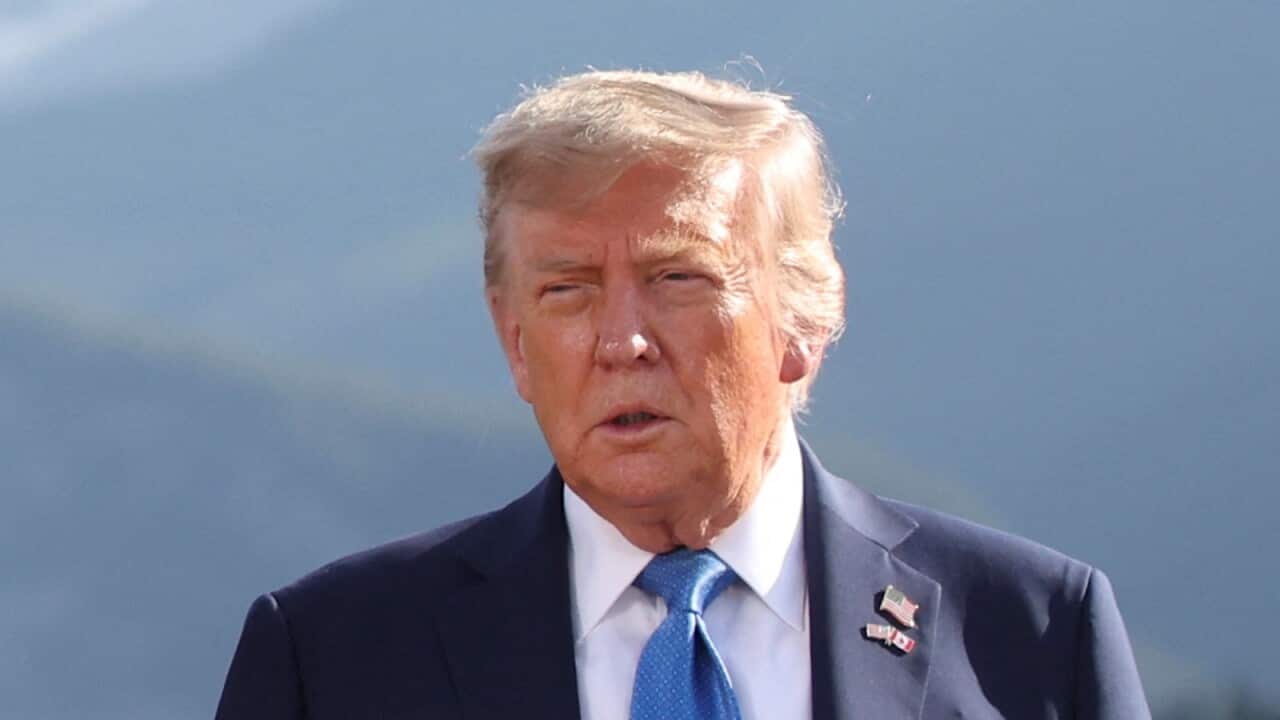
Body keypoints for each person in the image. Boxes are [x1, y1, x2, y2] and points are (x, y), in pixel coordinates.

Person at [215, 69, 1151, 719]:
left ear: (805, 322)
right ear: (515, 345)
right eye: (566, 290)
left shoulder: (1030, 632)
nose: (621, 341)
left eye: (679, 279)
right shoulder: (335, 656)